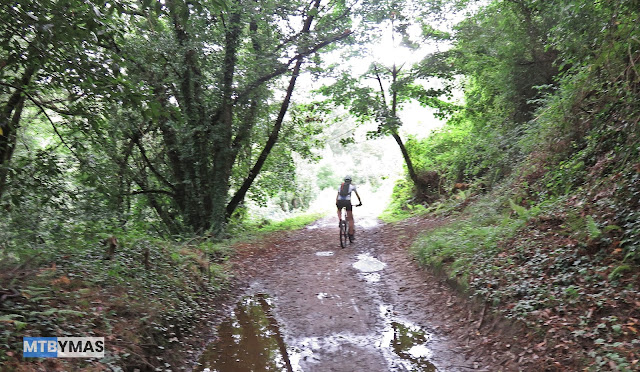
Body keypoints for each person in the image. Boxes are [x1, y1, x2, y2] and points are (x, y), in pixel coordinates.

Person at [336, 175, 362, 242]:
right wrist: (360, 202)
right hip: (347, 202)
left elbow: (337, 195)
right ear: (350, 181)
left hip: (339, 201)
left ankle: (340, 220)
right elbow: (357, 195)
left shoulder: (340, 186)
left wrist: (337, 202)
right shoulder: (352, 186)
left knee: (339, 210)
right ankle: (351, 235)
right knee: (350, 219)